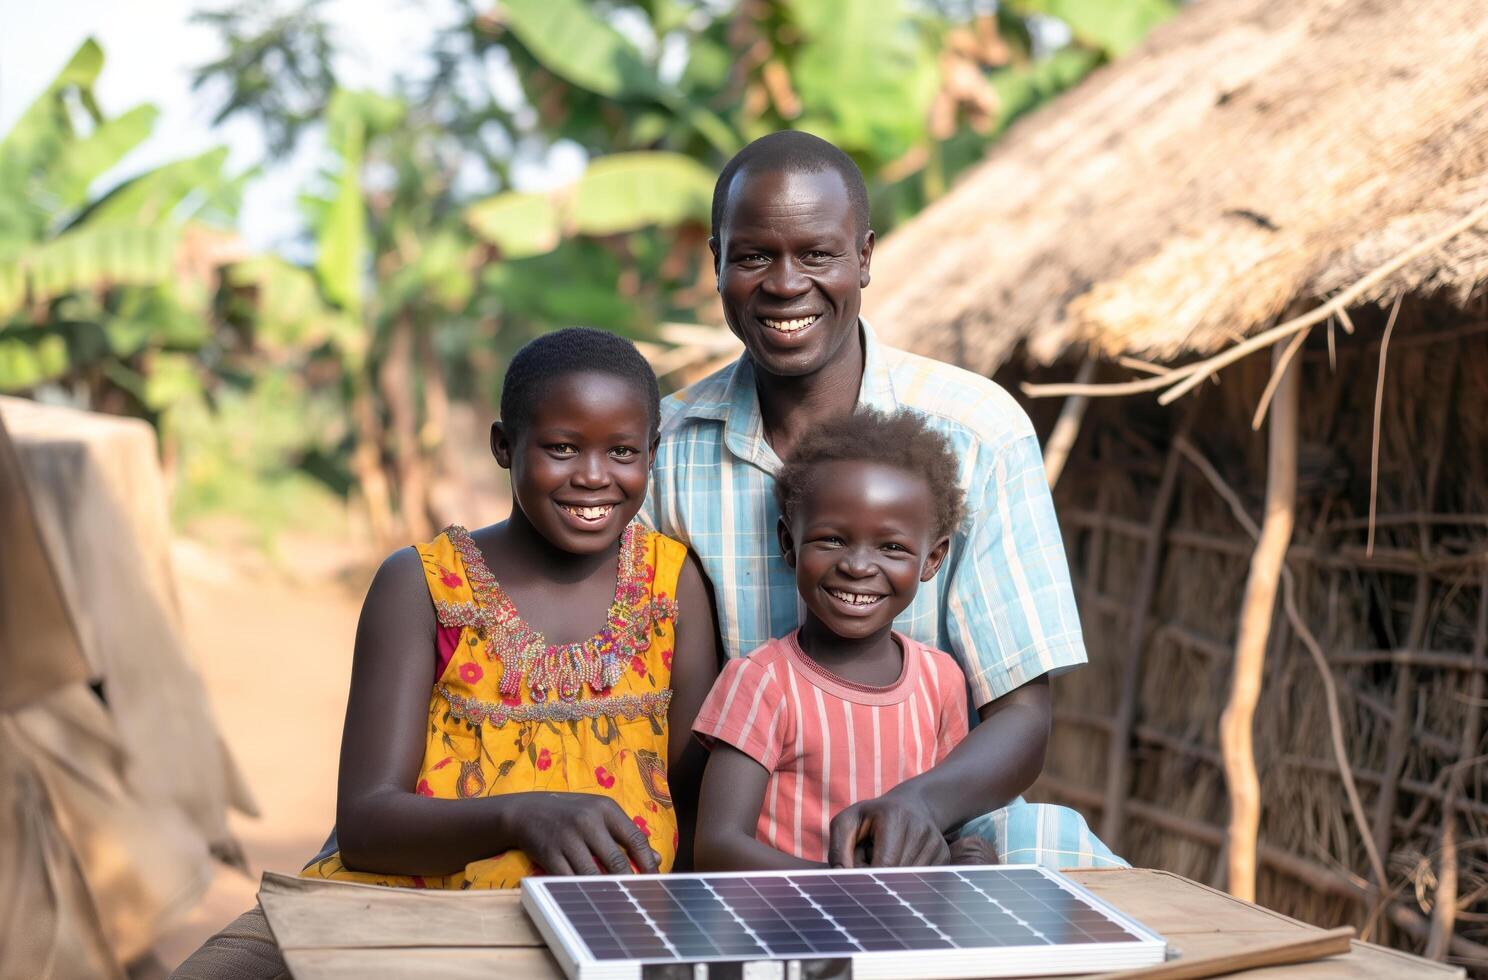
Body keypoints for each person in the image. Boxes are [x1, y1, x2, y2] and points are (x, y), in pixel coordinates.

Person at [643, 131, 1124, 870]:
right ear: (717, 263)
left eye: (817, 254)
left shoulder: (978, 434)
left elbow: (1022, 718)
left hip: (941, 826)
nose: (784, 283)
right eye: (753, 256)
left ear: (864, 257)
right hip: (747, 843)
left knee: (1059, 862)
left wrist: (919, 806)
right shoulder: (662, 452)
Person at [172, 328, 719, 976]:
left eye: (622, 451)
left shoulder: (670, 583)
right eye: (562, 448)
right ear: (503, 446)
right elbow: (368, 823)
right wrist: (521, 817)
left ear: (652, 453)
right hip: (410, 905)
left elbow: (693, 796)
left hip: (606, 926)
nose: (594, 476)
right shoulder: (422, 584)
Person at [692, 408, 996, 870]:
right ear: (789, 545)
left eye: (891, 547)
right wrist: (847, 893)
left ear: (932, 560)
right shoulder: (762, 683)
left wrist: (957, 859)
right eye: (832, 539)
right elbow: (716, 848)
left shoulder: (941, 681)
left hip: (892, 930)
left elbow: (933, 828)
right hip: (783, 930)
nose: (857, 565)